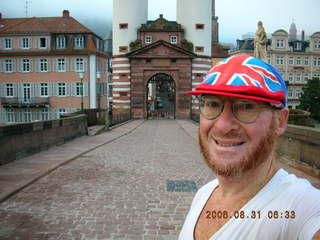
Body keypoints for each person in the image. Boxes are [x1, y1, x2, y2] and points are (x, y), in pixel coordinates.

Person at [179, 54, 320, 240]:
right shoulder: (203, 194)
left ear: (281, 121)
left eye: (246, 106)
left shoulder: (305, 207)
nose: (222, 126)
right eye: (212, 104)